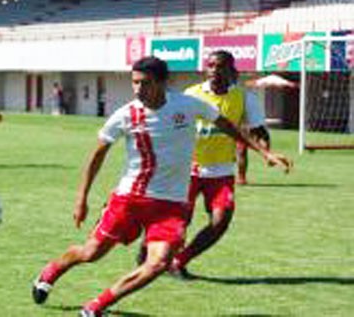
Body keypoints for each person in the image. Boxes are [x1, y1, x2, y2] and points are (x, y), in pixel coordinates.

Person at [31, 56, 291, 317]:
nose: (137, 89)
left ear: (162, 83)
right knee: (91, 253)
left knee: (158, 264)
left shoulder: (188, 105)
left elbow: (227, 126)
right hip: (130, 199)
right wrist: (81, 198)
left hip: (171, 205)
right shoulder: (126, 114)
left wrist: (264, 153)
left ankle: (96, 306)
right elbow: (97, 155)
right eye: (134, 83)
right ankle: (50, 272)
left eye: (144, 83)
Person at [138, 50, 275, 278]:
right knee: (178, 221)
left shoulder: (244, 97)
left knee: (221, 220)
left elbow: (259, 130)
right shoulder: (191, 94)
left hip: (221, 171)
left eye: (219, 66)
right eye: (210, 65)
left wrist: (267, 153)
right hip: (187, 168)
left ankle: (179, 262)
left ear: (232, 70)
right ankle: (147, 251)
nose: (214, 70)